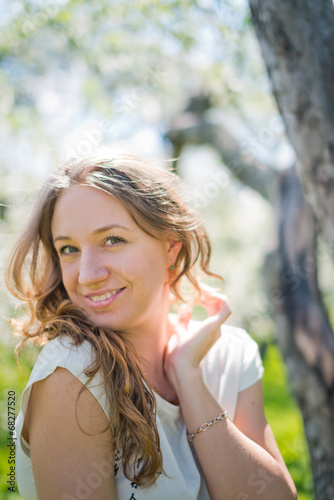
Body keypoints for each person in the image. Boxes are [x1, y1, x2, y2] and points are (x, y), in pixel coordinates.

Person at [6, 154, 297, 500]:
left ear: (171, 250)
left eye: (112, 240)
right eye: (68, 249)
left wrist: (187, 375)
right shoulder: (74, 373)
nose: (87, 275)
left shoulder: (232, 353)